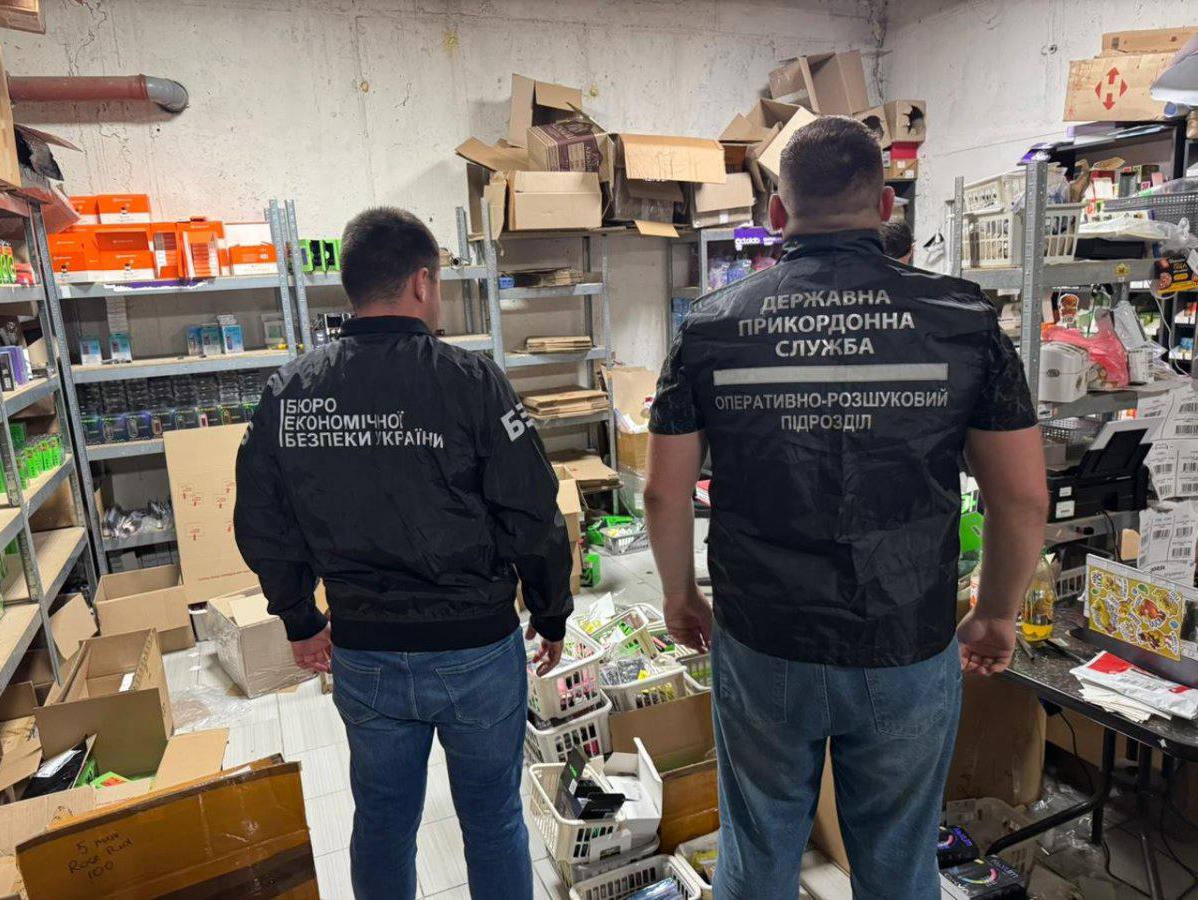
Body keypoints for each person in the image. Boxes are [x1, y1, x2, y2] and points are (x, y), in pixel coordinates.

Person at [644, 117, 1047, 899]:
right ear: (886, 206)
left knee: (756, 855)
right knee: (899, 864)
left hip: (764, 638)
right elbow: (1023, 498)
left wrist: (679, 595)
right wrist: (997, 613)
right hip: (906, 636)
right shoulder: (964, 321)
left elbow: (664, 490)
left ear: (776, 213)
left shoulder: (711, 326)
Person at [234, 207, 573, 900]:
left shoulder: (290, 392)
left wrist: (300, 618)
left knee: (383, 823)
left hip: (365, 649)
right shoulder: (473, 380)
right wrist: (551, 610)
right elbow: (532, 510)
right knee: (493, 819)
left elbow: (263, 519)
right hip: (475, 647)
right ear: (422, 282)